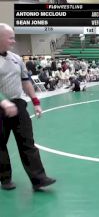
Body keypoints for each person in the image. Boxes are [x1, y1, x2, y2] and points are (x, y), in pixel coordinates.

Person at [0, 23, 56, 190]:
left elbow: (26, 81)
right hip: (0, 105)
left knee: (28, 142)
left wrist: (36, 102)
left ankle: (39, 179)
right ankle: (5, 179)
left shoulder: (16, 59)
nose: (13, 40)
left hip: (17, 104)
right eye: (10, 37)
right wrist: (3, 101)